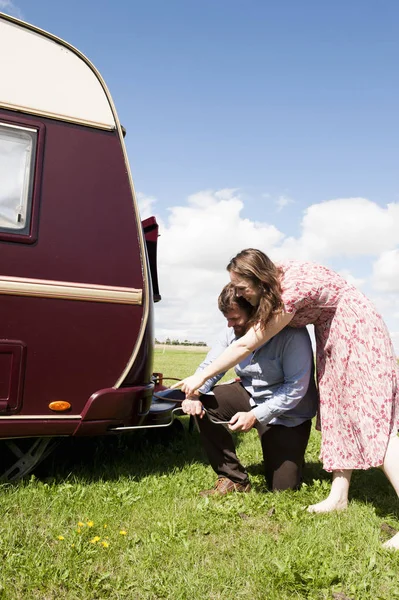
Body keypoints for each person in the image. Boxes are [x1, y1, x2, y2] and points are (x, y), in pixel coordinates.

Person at [172, 249, 399, 549]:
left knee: (373, 422)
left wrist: (199, 381)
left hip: (355, 334)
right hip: (332, 332)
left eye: (242, 289)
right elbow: (229, 347)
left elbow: (245, 347)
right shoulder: (277, 277)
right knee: (339, 413)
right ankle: (339, 495)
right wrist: (196, 393)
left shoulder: (286, 299)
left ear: (259, 278)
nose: (239, 294)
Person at [168, 283, 318, 494]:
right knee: (206, 404)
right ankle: (233, 478)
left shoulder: (292, 335)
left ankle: (289, 454)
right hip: (250, 394)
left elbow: (295, 389)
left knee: (282, 488)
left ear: (256, 313)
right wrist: (194, 395)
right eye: (227, 319)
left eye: (235, 319)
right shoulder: (232, 332)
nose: (230, 325)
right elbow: (211, 367)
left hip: (287, 414)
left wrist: (255, 415)